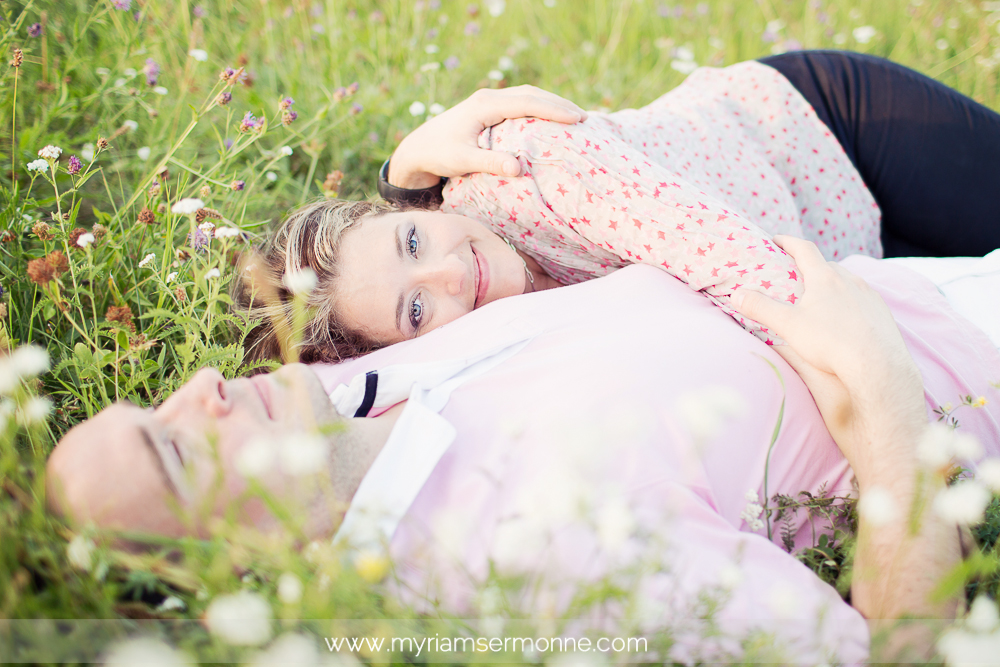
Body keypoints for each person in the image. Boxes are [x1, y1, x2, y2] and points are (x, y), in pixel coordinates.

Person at [47, 236, 1000, 662]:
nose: (198, 393)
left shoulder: (339, 401)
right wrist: (881, 387)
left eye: (155, 402)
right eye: (174, 451)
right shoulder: (541, 553)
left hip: (934, 265)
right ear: (231, 570)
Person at [240, 50, 1000, 364]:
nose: (447, 270)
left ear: (405, 204)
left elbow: (762, 283)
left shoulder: (530, 169)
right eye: (414, 311)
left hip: (826, 128)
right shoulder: (503, 341)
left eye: (411, 238)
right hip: (847, 245)